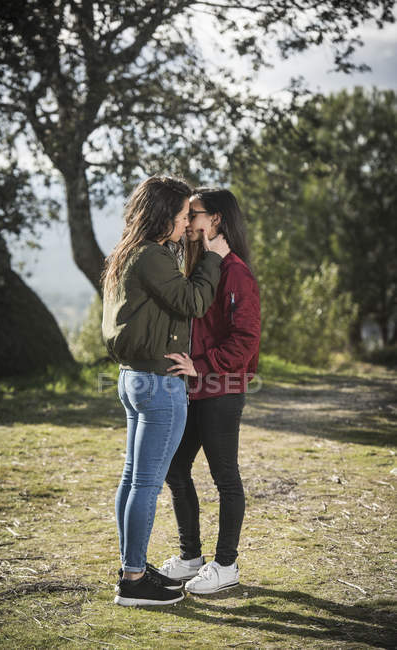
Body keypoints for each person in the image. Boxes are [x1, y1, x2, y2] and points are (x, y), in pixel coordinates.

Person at [101, 176, 230, 607]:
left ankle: (130, 567)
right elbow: (192, 302)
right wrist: (212, 258)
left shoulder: (128, 253)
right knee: (146, 484)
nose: (183, 224)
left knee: (132, 478)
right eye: (179, 216)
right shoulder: (152, 257)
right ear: (162, 216)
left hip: (133, 377)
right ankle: (135, 580)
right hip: (157, 383)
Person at [159, 188, 261, 594]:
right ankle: (190, 557)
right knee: (175, 467)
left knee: (225, 477)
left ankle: (226, 565)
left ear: (215, 219)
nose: (187, 222)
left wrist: (201, 366)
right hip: (196, 389)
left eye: (194, 214)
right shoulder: (205, 266)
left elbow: (246, 340)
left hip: (222, 388)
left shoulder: (236, 272)